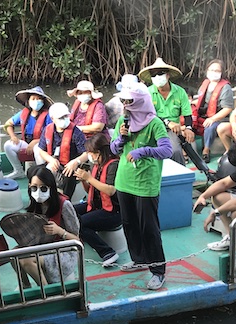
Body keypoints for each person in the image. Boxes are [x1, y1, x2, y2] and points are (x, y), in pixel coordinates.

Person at [109, 79, 172, 290]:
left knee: (149, 228)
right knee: (129, 223)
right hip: (124, 181)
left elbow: (166, 150)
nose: (126, 106)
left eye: (130, 101)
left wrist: (143, 151)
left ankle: (158, 270)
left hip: (145, 184)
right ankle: (139, 259)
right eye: (124, 101)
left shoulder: (155, 124)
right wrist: (120, 140)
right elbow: (114, 148)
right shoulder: (123, 121)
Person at [20, 166, 81, 286]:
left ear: (51, 187)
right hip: (43, 247)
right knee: (14, 254)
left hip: (63, 252)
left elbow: (76, 240)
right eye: (34, 187)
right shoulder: (34, 204)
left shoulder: (64, 205)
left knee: (26, 260)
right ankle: (26, 286)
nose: (38, 192)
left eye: (43, 188)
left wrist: (59, 231)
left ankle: (45, 290)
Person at [72, 133, 123, 267]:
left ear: (99, 152)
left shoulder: (113, 165)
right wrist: (85, 181)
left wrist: (89, 178)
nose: (89, 156)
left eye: (91, 152)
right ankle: (82, 239)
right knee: (69, 210)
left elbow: (110, 190)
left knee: (80, 223)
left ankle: (107, 252)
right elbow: (91, 191)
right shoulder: (96, 166)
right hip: (97, 205)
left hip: (113, 211)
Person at [139, 58, 194, 166]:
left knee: (175, 151)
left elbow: (187, 114)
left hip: (171, 131)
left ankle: (180, 177)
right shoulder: (147, 93)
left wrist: (188, 128)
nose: (157, 77)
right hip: (152, 128)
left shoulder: (180, 92)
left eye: (160, 73)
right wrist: (168, 122)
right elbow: (148, 115)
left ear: (168, 75)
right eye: (153, 75)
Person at [3, 87, 53, 180]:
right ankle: (18, 171)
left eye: (39, 99)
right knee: (8, 145)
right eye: (33, 99)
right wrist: (13, 136)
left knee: (38, 149)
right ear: (28, 101)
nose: (36, 101)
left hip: (42, 144)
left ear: (43, 101)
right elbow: (8, 124)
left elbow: (51, 134)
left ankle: (42, 175)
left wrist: (35, 142)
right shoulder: (24, 113)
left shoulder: (48, 115)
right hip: (26, 142)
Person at [38, 102, 86, 198]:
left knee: (69, 178)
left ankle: (65, 200)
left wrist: (76, 162)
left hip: (70, 165)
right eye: (60, 117)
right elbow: (41, 150)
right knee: (35, 172)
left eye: (66, 116)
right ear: (52, 119)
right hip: (54, 162)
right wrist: (50, 160)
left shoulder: (76, 132)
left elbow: (86, 153)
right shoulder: (47, 129)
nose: (64, 119)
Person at [191, 60, 235, 162]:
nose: (213, 72)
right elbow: (204, 100)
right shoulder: (206, 83)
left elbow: (227, 108)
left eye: (216, 70)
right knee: (190, 119)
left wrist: (213, 118)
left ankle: (206, 150)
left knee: (210, 126)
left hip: (220, 117)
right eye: (211, 70)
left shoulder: (225, 87)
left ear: (221, 72)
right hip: (206, 113)